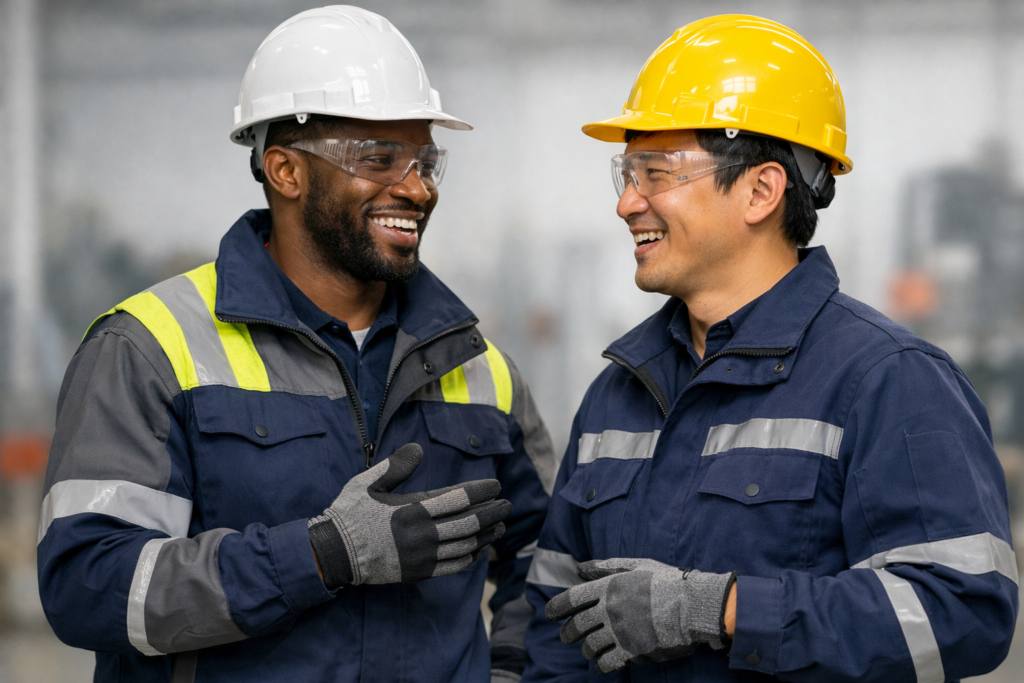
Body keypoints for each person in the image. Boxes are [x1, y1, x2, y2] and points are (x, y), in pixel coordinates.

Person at [38, 7, 555, 683]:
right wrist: (321, 554)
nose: (417, 186)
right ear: (285, 170)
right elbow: (89, 584)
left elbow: (548, 559)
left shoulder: (480, 368)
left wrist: (512, 672)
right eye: (380, 158)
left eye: (426, 160)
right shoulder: (148, 349)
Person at [522, 14, 1018, 683]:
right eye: (626, 173)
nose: (627, 203)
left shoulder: (887, 380)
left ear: (760, 190)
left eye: (656, 172)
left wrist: (721, 608)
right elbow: (555, 624)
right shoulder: (619, 392)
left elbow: (961, 612)